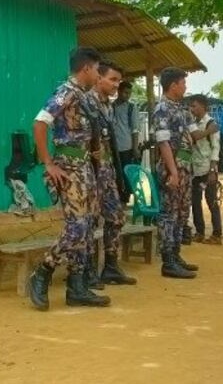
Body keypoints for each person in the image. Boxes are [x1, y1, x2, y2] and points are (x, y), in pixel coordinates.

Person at [28, 47, 110, 311]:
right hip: (68, 168)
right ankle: (42, 272)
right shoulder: (65, 92)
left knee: (86, 228)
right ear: (86, 68)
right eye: (97, 69)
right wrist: (48, 163)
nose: (99, 75)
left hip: (84, 167)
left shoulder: (83, 97)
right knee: (75, 228)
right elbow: (40, 123)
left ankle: (77, 287)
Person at [85, 61, 137, 286]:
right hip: (90, 171)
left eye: (118, 80)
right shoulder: (87, 102)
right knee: (89, 220)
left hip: (107, 170)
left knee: (116, 216)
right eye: (113, 79)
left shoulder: (108, 106)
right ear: (99, 78)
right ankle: (85, 272)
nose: (117, 85)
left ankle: (111, 266)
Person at [151, 67, 201, 279]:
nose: (185, 87)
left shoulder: (181, 110)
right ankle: (168, 261)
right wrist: (173, 172)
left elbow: (194, 134)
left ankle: (176, 253)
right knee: (169, 214)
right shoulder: (162, 109)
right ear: (173, 86)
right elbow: (163, 143)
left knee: (181, 212)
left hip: (185, 167)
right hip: (172, 168)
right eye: (183, 83)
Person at [188, 95, 223, 245]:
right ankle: (200, 232)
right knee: (195, 202)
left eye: (194, 106)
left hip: (207, 169)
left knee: (211, 202)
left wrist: (213, 170)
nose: (192, 109)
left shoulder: (211, 123)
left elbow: (216, 148)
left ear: (203, 106)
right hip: (195, 169)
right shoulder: (194, 124)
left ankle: (216, 234)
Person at [113, 81, 140, 203]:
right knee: (114, 174)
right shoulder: (111, 106)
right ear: (118, 91)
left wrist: (135, 148)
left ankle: (125, 198)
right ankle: (116, 198)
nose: (127, 95)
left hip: (126, 147)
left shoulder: (131, 107)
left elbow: (135, 129)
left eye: (129, 93)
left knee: (126, 175)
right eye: (125, 92)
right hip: (113, 147)